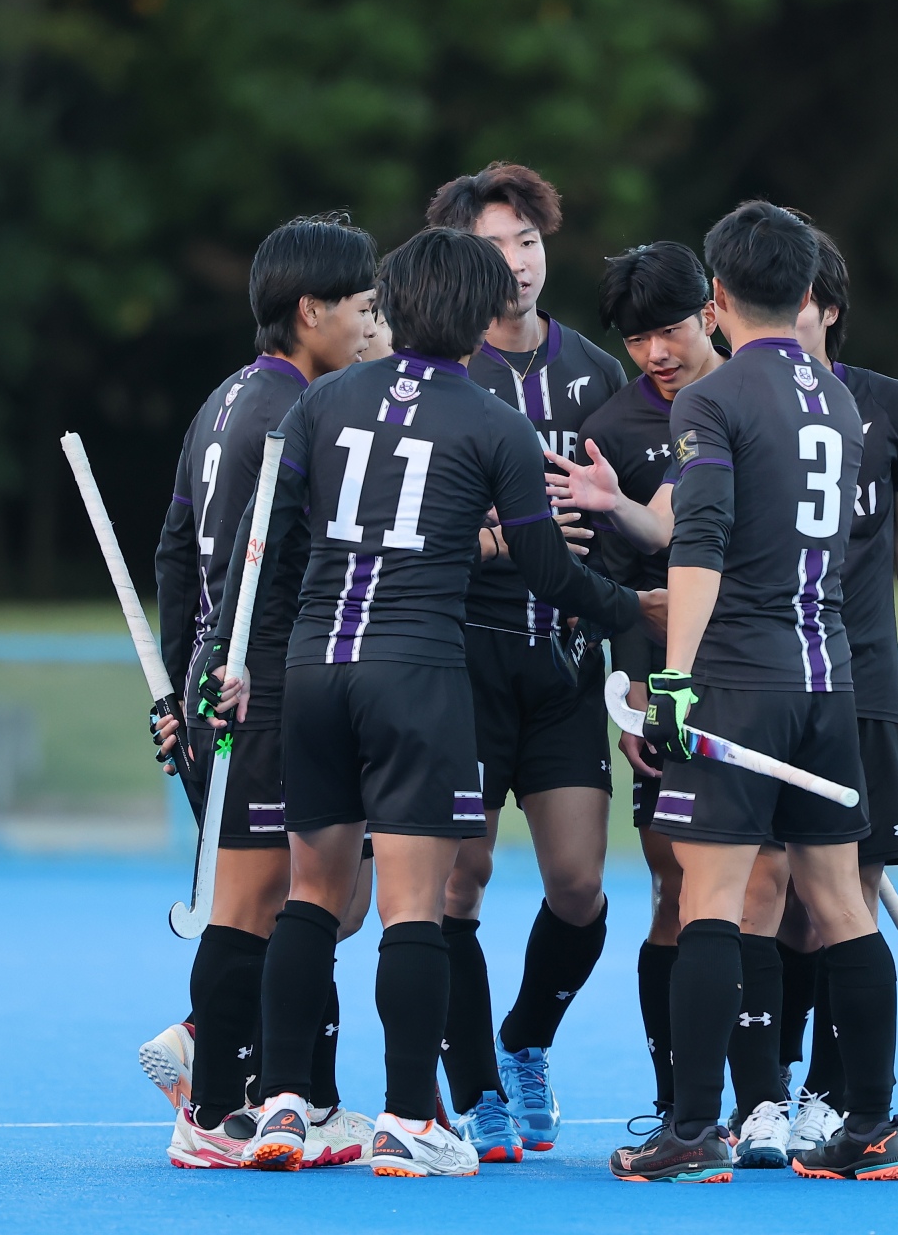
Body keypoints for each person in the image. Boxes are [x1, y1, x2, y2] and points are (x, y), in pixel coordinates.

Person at [244, 226, 663, 1178]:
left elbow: (273, 547)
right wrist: (633, 610)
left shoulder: (320, 402)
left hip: (314, 667)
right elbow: (549, 568)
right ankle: (408, 1119)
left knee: (311, 896)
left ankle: (282, 1106)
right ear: (479, 317)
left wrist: (253, 661)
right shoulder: (493, 422)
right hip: (419, 673)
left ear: (394, 305)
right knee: (413, 907)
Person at [605, 200, 898, 1184]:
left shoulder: (715, 398)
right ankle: (870, 1123)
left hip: (739, 677)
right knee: (841, 903)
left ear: (718, 295)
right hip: (829, 676)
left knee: (712, 900)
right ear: (807, 290)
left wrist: (673, 682)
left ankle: (695, 1128)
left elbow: (699, 545)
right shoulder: (841, 401)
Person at [144, 213, 381, 1169]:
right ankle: (216, 1108)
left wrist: (179, 687)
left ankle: (288, 1099)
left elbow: (174, 553)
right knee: (269, 907)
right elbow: (287, 560)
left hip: (226, 688)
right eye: (361, 307)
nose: (370, 327)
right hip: (267, 686)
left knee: (302, 905)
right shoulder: (298, 414)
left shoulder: (224, 398)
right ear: (311, 310)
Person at [423, 163, 629, 1158]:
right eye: (494, 246)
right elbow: (410, 530)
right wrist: (505, 543)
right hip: (462, 663)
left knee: (580, 887)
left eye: (529, 241)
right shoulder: (439, 374)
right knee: (455, 882)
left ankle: (524, 1040)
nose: (516, 262)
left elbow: (627, 524)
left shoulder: (596, 373)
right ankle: (476, 1091)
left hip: (566, 666)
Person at [779, 222, 898, 1162]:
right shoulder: (745, 401)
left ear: (830, 310)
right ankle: (770, 1087)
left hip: (867, 677)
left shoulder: (892, 404)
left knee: (849, 892)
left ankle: (831, 1092)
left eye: (801, 304)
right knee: (779, 893)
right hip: (776, 673)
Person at [562, 242, 724, 1129]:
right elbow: (618, 583)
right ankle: (677, 1106)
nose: (656, 353)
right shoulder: (614, 431)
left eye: (670, 330)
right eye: (636, 339)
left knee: (790, 898)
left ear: (712, 310)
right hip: (670, 689)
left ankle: (778, 1094)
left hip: (773, 678)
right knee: (677, 890)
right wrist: (631, 696)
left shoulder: (764, 399)